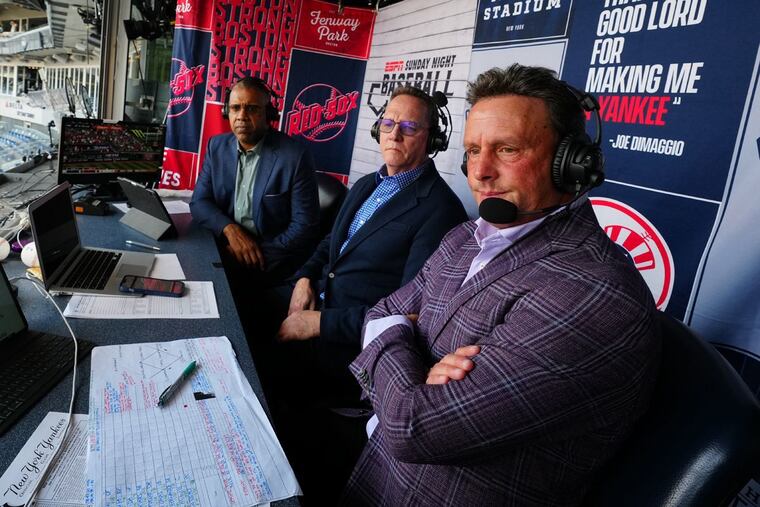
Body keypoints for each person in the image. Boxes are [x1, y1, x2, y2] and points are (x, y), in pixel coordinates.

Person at [342, 64, 661, 505]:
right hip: (371, 471)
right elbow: (380, 311)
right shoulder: (464, 237)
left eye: (507, 149)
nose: (480, 172)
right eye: (473, 151)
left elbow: (408, 426)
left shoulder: (595, 293)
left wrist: (400, 336)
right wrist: (411, 358)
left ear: (570, 163)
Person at [260, 85, 467, 503]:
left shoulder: (440, 210)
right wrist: (304, 279)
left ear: (432, 139)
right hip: (318, 302)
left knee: (260, 362)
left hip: (348, 347)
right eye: (388, 123)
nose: (395, 133)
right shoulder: (366, 186)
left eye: (410, 126)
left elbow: (412, 316)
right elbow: (326, 247)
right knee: (244, 310)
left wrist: (316, 323)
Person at [190, 77, 320, 286]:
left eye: (251, 109)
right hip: (226, 247)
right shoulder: (217, 146)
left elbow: (304, 226)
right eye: (235, 108)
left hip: (270, 261)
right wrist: (231, 230)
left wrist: (250, 253)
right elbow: (199, 201)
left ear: (268, 114)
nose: (241, 116)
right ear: (227, 112)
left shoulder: (295, 157)